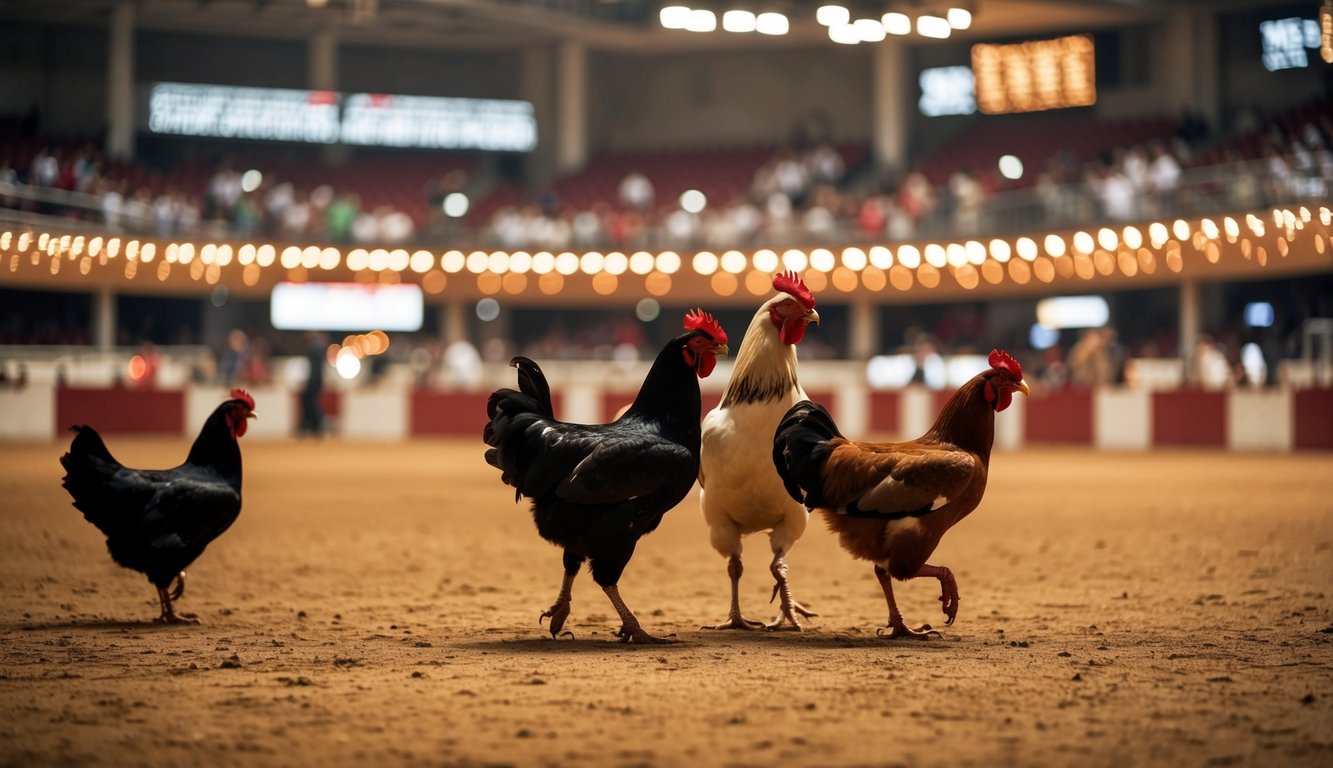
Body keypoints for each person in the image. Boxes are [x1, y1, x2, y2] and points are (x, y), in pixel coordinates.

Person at [298, 332, 327, 438]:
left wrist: (310, 382)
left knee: (310, 402)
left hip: (314, 380)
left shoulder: (313, 348)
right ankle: (315, 426)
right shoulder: (318, 347)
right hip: (317, 380)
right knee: (313, 402)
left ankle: (314, 425)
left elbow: (314, 369)